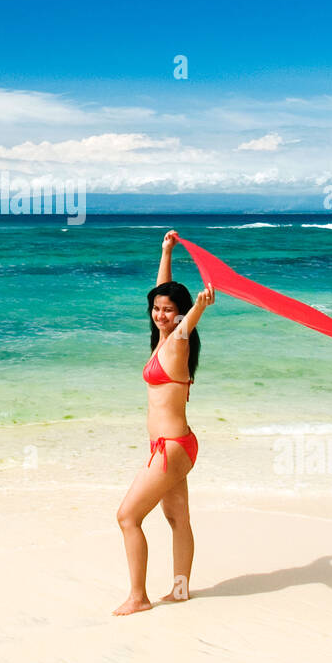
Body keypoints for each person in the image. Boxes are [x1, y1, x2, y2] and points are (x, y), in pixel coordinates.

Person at [113, 229, 214, 615]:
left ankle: (138, 597)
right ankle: (180, 589)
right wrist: (166, 251)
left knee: (127, 516)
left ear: (181, 313)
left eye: (168, 310)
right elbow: (163, 292)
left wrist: (200, 306)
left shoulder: (178, 341)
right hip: (179, 446)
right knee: (177, 518)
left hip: (170, 449)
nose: (160, 314)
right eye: (156, 308)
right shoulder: (162, 337)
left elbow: (185, 323)